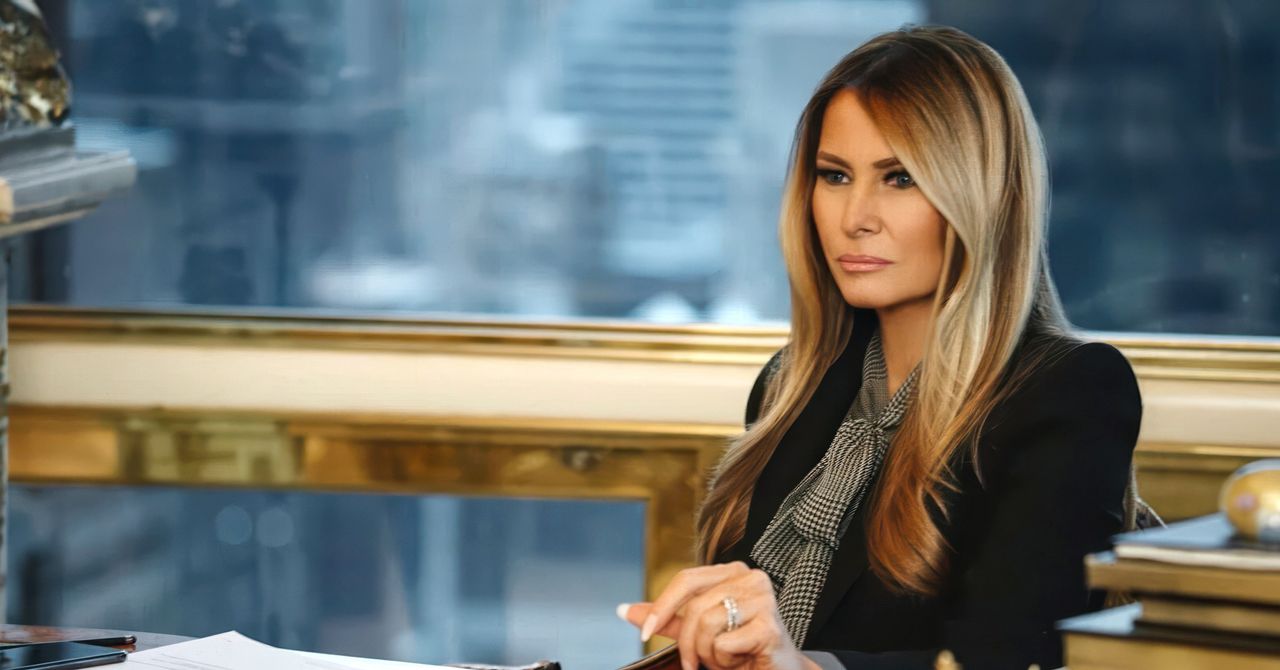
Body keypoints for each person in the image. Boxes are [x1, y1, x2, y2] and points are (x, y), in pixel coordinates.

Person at [618, 25, 1152, 670]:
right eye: (834, 175)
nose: (855, 218)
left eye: (899, 178)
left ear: (982, 195)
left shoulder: (1069, 391)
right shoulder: (791, 385)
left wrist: (803, 665)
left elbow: (1009, 658)